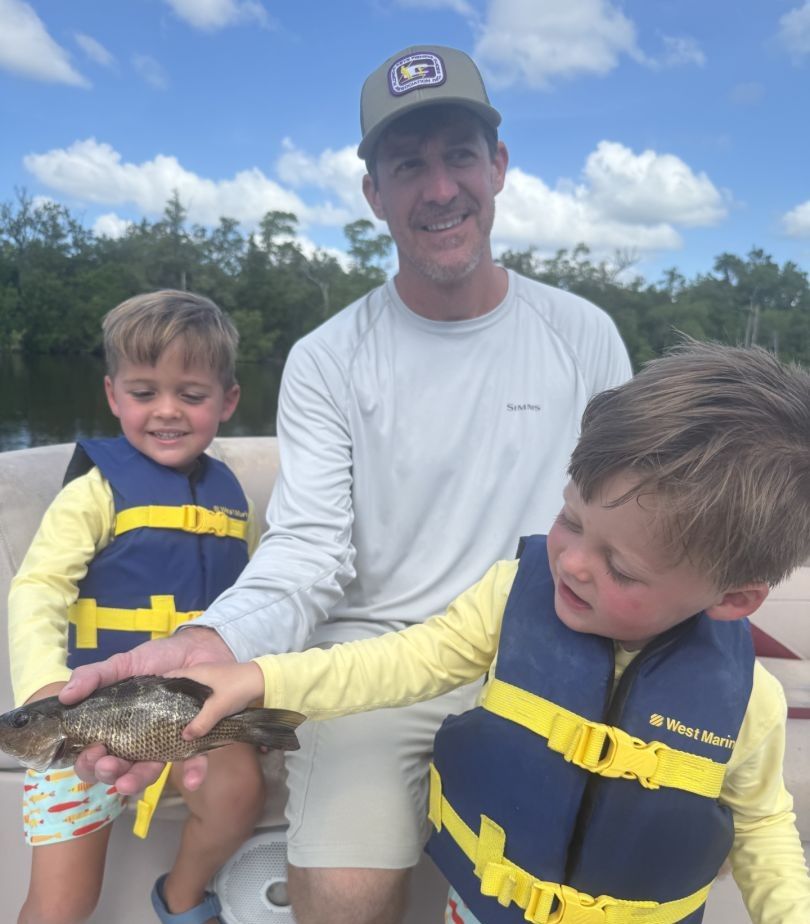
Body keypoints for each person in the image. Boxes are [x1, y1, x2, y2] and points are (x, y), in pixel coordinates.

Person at [60, 45, 632, 924]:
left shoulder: (584, 336)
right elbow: (309, 549)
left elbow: (623, 525)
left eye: (458, 155)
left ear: (499, 167)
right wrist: (215, 640)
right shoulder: (328, 357)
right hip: (367, 667)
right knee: (344, 899)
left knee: (595, 882)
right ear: (374, 194)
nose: (438, 188)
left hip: (537, 656)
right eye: (408, 165)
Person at [172, 340, 810, 924]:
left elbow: (762, 824)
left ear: (733, 599)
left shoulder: (749, 702)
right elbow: (397, 663)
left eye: (620, 567)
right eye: (570, 517)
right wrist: (257, 677)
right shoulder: (509, 599)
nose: (574, 561)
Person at [8, 290, 263, 924]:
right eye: (144, 393)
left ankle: (182, 897)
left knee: (239, 792)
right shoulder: (92, 494)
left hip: (184, 709)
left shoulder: (232, 499)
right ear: (113, 395)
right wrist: (46, 686)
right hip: (81, 718)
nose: (167, 411)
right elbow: (38, 588)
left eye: (192, 395)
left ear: (227, 401)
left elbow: (251, 601)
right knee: (63, 901)